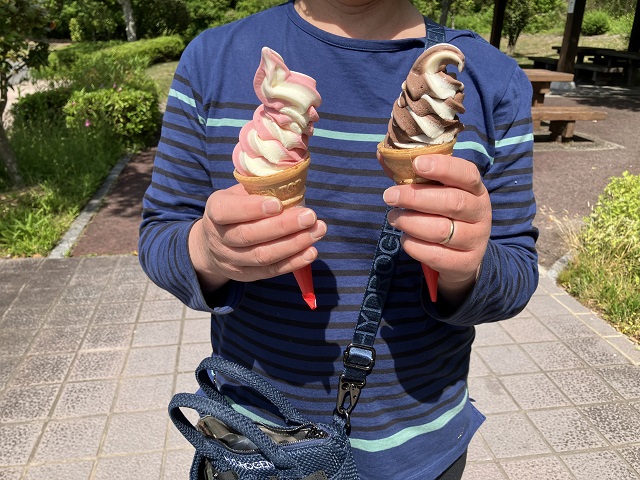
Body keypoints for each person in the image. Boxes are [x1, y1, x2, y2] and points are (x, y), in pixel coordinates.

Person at [139, 0, 539, 478]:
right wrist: (207, 252)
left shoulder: (491, 80)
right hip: (254, 443)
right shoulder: (213, 59)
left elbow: (517, 271)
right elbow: (159, 234)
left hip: (422, 451)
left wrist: (467, 270)